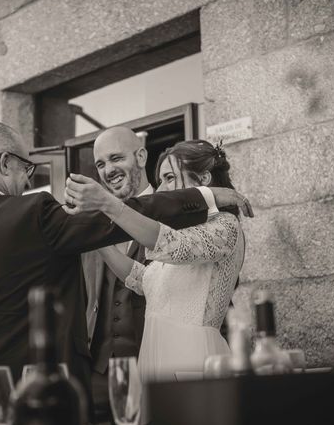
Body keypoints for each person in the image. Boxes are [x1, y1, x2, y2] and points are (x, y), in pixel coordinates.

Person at [0, 122, 250, 425]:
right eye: (26, 166)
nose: (28, 177)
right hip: (38, 413)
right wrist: (202, 197)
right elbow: (122, 217)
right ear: (5, 162)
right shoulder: (33, 213)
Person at [64, 140, 250, 383]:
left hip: (192, 355)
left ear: (204, 180)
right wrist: (95, 238)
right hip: (155, 352)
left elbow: (172, 244)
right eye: (160, 179)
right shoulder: (183, 228)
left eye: (169, 177)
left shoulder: (226, 226)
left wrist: (107, 204)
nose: (161, 189)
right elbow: (142, 279)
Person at [82, 126, 153, 425]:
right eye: (100, 164)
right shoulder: (91, 224)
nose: (108, 170)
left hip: (151, 368)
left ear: (141, 155)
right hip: (97, 374)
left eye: (115, 158)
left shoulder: (173, 214)